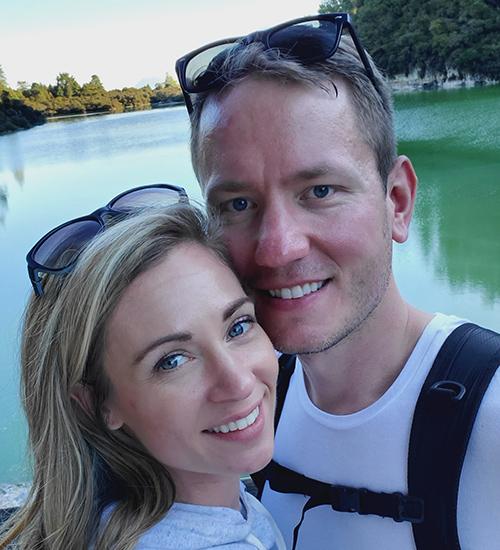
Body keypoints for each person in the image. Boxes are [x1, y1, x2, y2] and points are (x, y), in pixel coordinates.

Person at [175, 13, 500, 550]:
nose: (277, 246)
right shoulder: (248, 405)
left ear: (397, 201)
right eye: (238, 204)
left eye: (320, 191)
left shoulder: (489, 421)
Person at [0, 185, 286, 550]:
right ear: (96, 404)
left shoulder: (114, 521)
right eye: (172, 360)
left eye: (238, 326)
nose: (239, 382)